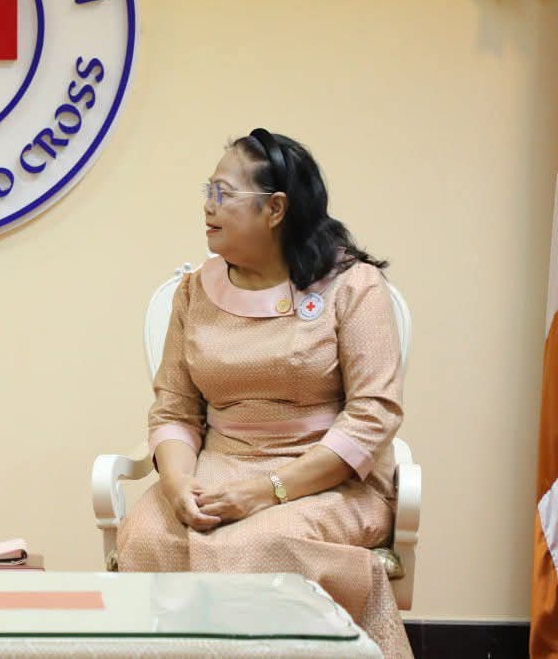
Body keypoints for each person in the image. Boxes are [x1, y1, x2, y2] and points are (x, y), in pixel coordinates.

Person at [117, 129, 411, 657]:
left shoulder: (353, 286)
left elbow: (374, 414)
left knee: (254, 545)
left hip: (327, 478)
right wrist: (178, 484)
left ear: (275, 209)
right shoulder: (195, 292)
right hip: (218, 467)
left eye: (223, 193)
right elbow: (174, 410)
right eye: (208, 191)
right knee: (147, 536)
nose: (208, 206)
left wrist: (265, 491)